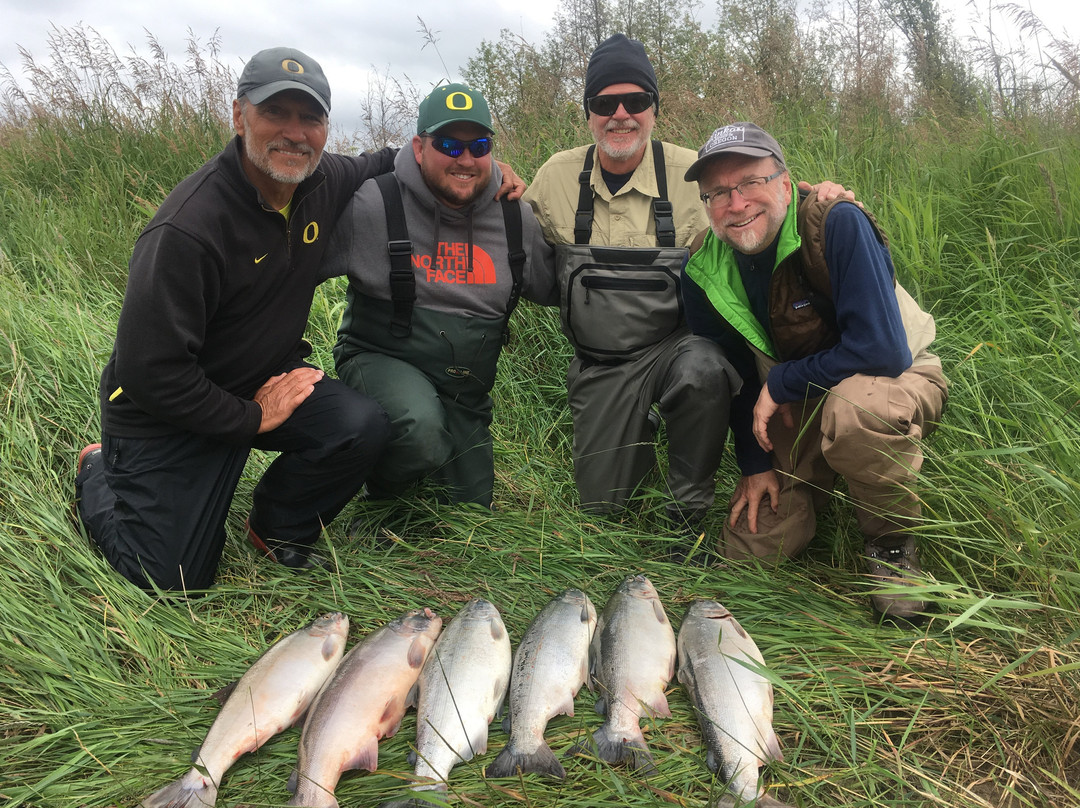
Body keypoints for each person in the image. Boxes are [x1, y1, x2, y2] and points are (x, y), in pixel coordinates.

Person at [73, 48, 524, 592]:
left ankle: (278, 529)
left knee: (361, 426)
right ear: (239, 116)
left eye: (309, 118)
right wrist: (248, 419)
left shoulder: (322, 179)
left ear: (326, 128)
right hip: (165, 411)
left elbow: (393, 160)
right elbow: (151, 374)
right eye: (275, 113)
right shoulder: (187, 230)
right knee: (170, 578)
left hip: (265, 381)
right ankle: (98, 472)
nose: (294, 133)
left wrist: (483, 171)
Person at [524, 34, 846, 555]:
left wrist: (820, 199)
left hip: (677, 347)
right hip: (600, 361)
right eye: (605, 103)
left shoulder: (690, 171)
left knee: (706, 366)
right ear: (588, 113)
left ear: (655, 109)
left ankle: (686, 512)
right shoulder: (556, 177)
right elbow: (514, 235)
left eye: (637, 101)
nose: (621, 114)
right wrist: (497, 180)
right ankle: (635, 437)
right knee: (601, 512)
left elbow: (760, 199)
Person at [681, 122, 948, 620]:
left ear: (784, 184)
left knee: (856, 411)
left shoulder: (835, 222)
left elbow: (883, 351)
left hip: (897, 378)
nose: (735, 204)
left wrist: (781, 381)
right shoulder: (702, 267)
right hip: (797, 406)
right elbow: (734, 377)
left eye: (750, 182)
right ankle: (815, 487)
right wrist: (754, 465)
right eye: (717, 192)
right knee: (748, 555)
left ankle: (891, 545)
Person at [326, 84, 556, 508]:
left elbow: (559, 287)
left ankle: (420, 480)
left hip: (464, 390)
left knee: (470, 512)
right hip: (381, 358)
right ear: (418, 146)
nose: (464, 159)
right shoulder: (374, 204)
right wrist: (280, 360)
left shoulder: (514, 215)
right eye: (448, 144)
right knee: (419, 431)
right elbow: (294, 270)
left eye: (478, 145)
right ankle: (377, 501)